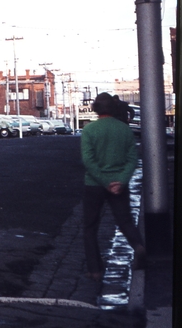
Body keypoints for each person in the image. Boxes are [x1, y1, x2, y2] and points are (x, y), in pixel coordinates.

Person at [80, 92, 146, 282]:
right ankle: (138, 246)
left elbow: (88, 161)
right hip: (120, 184)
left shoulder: (90, 130)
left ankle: (95, 270)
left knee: (90, 227)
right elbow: (132, 159)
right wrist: (121, 181)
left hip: (94, 185)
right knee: (125, 221)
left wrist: (104, 181)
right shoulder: (124, 130)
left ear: (95, 109)